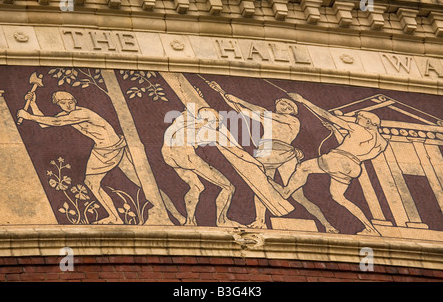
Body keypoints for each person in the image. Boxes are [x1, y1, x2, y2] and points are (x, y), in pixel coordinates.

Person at [208, 81, 338, 232]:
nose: (285, 107)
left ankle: (327, 225)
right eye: (283, 103)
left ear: (292, 113)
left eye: (289, 107)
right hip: (266, 151)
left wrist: (238, 100)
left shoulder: (292, 120)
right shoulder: (268, 117)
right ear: (277, 103)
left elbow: (257, 109)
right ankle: (260, 221)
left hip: (286, 153)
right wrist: (221, 92)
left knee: (298, 196)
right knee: (262, 188)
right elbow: (239, 110)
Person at [269, 92, 388, 236]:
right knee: (340, 198)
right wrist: (336, 130)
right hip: (354, 167)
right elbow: (356, 145)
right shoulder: (382, 142)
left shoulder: (359, 128)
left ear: (368, 122)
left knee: (303, 167)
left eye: (359, 119)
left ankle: (286, 191)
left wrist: (304, 100)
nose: (356, 121)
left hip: (337, 159)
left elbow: (328, 116)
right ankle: (370, 228)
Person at [17, 90, 143, 224]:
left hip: (109, 149)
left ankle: (116, 217)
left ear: (75, 101)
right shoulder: (66, 115)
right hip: (105, 149)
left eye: (71, 102)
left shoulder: (82, 113)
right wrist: (34, 104)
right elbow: (45, 123)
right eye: (63, 103)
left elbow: (57, 122)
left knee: (100, 182)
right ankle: (115, 217)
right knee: (130, 179)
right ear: (57, 104)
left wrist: (29, 117)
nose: (68, 105)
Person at [162, 106, 264, 227]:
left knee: (197, 186)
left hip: (167, 154)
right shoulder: (209, 132)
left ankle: (190, 221)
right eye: (216, 121)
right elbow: (238, 152)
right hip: (185, 155)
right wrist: (255, 162)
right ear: (213, 121)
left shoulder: (184, 119)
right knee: (228, 187)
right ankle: (222, 221)